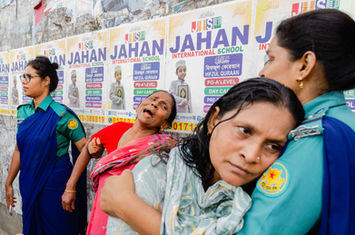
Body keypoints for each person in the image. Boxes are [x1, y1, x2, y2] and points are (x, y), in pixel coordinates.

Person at [101, 77, 305, 235]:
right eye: (244, 131)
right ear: (214, 120)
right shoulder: (158, 170)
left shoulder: (264, 198)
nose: (251, 155)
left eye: (272, 145)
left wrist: (127, 206)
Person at [237, 9, 355, 235]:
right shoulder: (343, 123)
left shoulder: (315, 139)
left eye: (271, 59)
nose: (262, 72)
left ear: (304, 65)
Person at [61, 90, 178, 235]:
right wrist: (70, 186)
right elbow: (87, 149)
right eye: (152, 99)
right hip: (103, 209)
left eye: (163, 106)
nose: (154, 104)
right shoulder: (118, 128)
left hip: (133, 217)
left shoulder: (163, 149)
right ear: (140, 106)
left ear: (165, 124)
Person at [4, 56, 87, 235]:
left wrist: (71, 185)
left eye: (29, 77)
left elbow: (85, 151)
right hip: (29, 181)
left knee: (57, 228)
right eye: (23, 78)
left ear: (46, 81)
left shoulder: (62, 115)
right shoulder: (23, 112)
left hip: (55, 185)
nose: (24, 82)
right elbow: (20, 149)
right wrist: (9, 182)